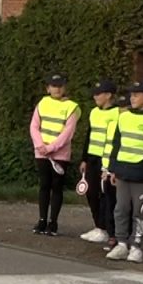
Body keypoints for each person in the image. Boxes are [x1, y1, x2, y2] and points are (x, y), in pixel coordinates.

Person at [107, 80, 143, 263]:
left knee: (139, 212)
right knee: (121, 209)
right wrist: (113, 170)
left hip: (142, 174)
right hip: (123, 172)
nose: (132, 98)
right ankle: (121, 243)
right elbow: (116, 144)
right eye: (131, 95)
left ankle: (136, 246)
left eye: (136, 95)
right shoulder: (123, 117)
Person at [29, 73, 81, 236]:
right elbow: (34, 126)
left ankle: (53, 222)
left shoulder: (72, 107)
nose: (57, 89)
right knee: (44, 186)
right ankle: (42, 220)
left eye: (60, 86)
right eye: (54, 86)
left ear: (64, 88)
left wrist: (51, 147)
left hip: (59, 154)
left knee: (57, 187)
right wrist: (40, 145)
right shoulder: (42, 103)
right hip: (42, 152)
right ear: (48, 88)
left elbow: (68, 132)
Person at [79, 79, 120, 244]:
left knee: (106, 195)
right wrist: (84, 158)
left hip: (107, 159)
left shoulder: (117, 113)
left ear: (109, 95)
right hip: (93, 158)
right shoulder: (94, 112)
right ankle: (98, 226)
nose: (95, 97)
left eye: (98, 94)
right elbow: (89, 135)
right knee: (91, 192)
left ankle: (108, 229)